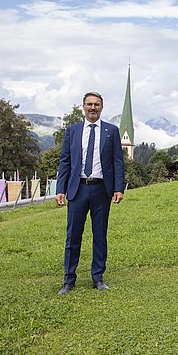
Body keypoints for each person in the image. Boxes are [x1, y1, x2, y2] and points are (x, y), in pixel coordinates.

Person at [55, 92, 125, 294]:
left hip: (101, 190)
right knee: (73, 236)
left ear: (102, 107)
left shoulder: (111, 131)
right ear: (83, 107)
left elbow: (117, 162)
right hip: (77, 189)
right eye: (89, 104)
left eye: (96, 104)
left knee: (100, 235)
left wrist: (118, 188)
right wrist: (61, 189)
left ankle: (98, 278)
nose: (93, 108)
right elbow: (65, 161)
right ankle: (69, 280)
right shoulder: (73, 131)